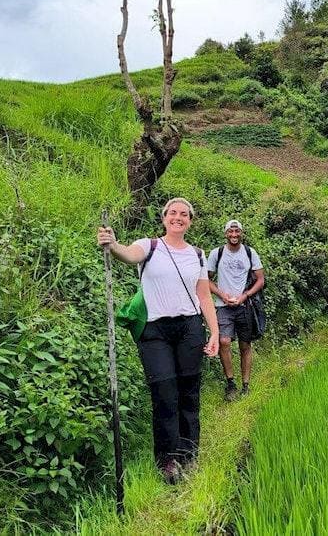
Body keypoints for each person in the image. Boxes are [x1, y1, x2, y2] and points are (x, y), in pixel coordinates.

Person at [97, 198, 219, 484]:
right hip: (155, 332)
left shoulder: (198, 255)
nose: (178, 217)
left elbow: (204, 297)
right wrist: (112, 244)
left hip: (189, 327)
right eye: (173, 213)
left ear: (190, 220)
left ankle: (189, 454)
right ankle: (167, 459)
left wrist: (214, 332)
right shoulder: (149, 246)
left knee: (189, 392)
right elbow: (127, 255)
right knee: (164, 392)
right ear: (164, 218)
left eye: (184, 214)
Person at [207, 219, 265, 401]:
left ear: (241, 233)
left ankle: (246, 385)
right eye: (230, 232)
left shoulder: (249, 253)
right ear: (225, 233)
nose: (234, 235)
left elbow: (260, 280)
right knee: (224, 341)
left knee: (245, 345)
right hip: (223, 306)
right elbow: (206, 280)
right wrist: (222, 295)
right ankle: (231, 383)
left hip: (244, 306)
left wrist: (245, 296)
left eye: (237, 231)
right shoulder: (217, 253)